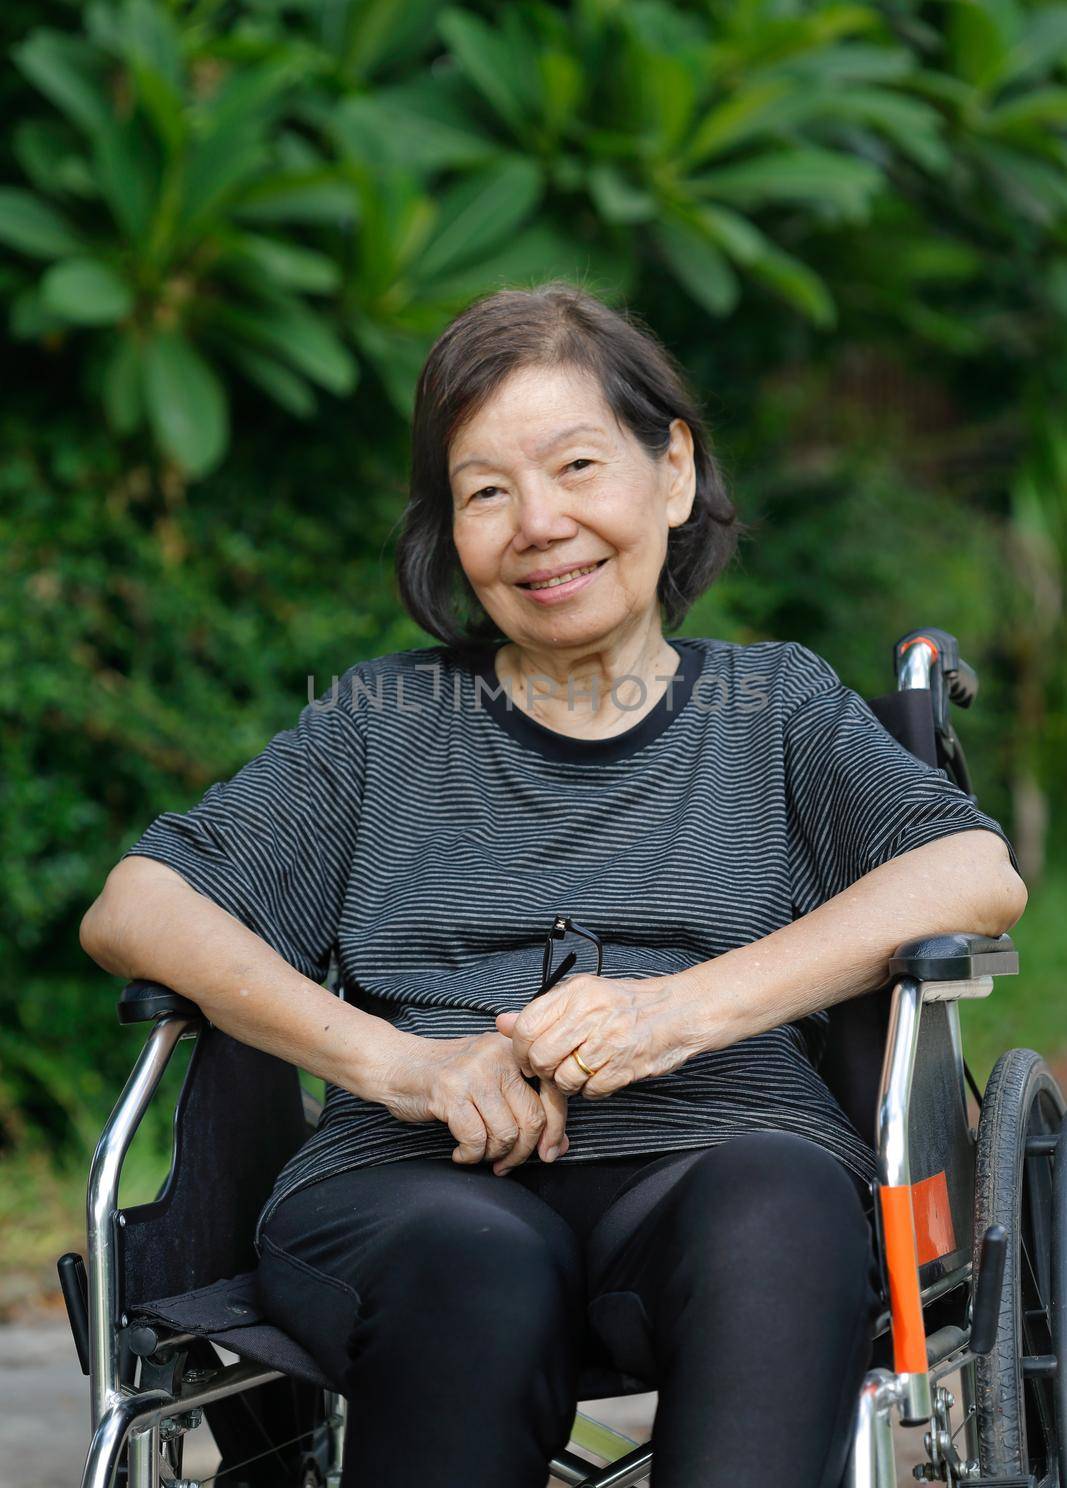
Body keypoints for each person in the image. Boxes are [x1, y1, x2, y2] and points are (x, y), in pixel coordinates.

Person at [80, 282, 1028, 1488]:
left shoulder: (774, 707)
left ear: (671, 471)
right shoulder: (382, 721)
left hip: (722, 1160)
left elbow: (968, 870)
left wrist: (672, 1011)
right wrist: (398, 1064)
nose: (538, 523)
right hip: (410, 1188)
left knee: (780, 1203)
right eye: (486, 491)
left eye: (577, 465)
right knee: (476, 1265)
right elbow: (137, 906)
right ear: (449, 529)